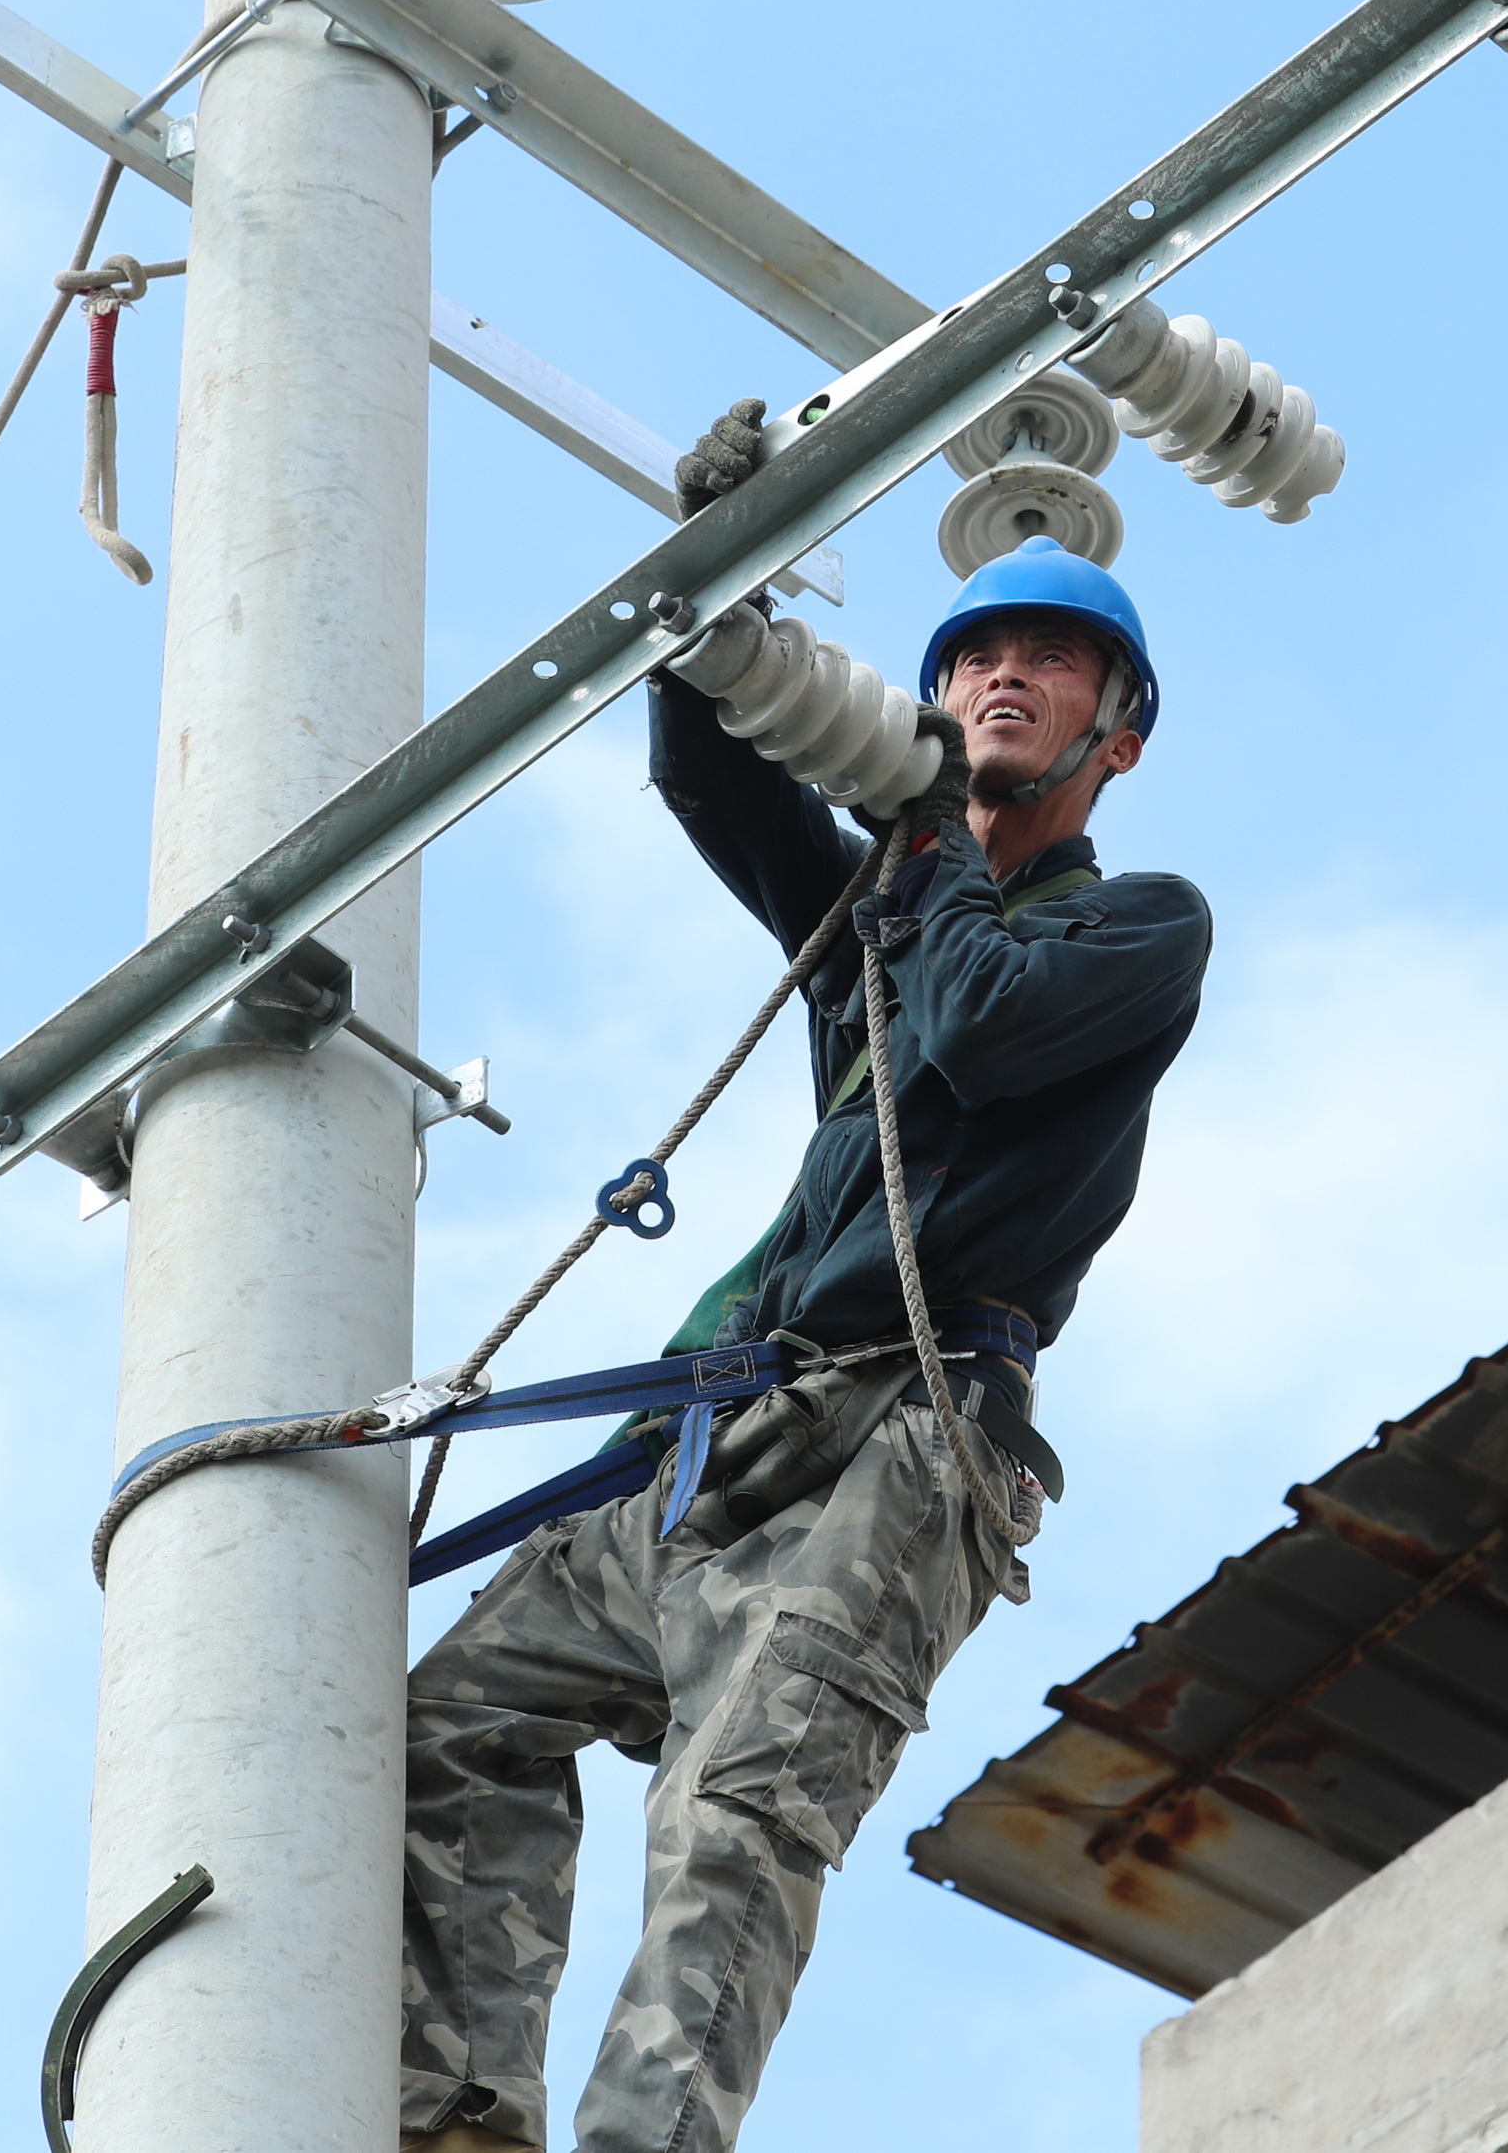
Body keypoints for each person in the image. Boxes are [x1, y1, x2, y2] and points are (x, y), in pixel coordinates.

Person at [396, 462, 1214, 2153]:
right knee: (449, 1729)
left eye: (1054, 663)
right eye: (979, 654)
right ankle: (452, 2121)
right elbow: (706, 767)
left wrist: (918, 836)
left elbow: (985, 1023)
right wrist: (722, 566)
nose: (1006, 675)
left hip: (897, 1449)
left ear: (1115, 738)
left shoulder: (1138, 928)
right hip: (712, 1439)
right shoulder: (881, 912)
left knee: (737, 1820)